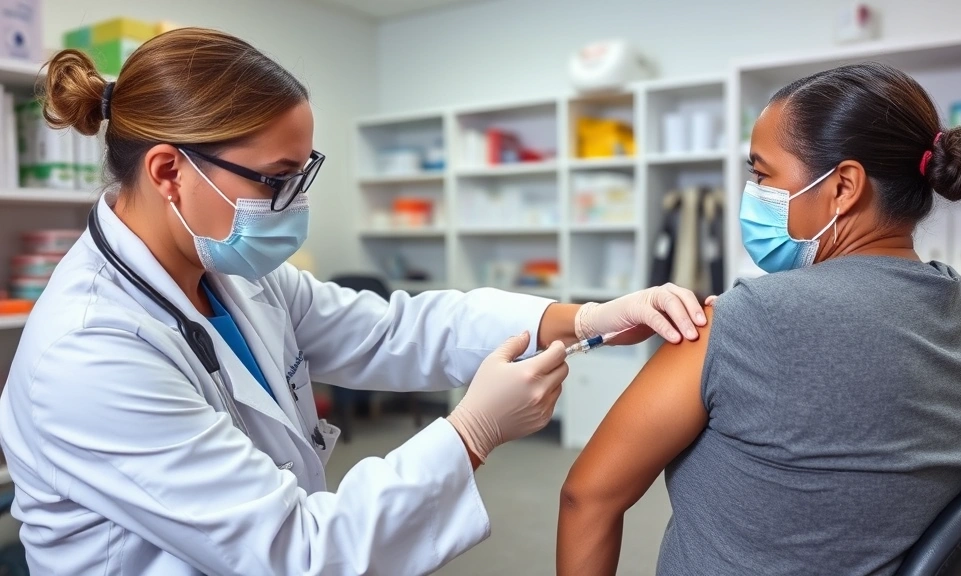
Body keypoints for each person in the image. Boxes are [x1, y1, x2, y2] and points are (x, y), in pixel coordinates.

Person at [0, 28, 709, 576]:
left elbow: (389, 330)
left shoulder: (228, 269)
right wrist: (471, 433)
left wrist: (584, 317)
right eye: (276, 179)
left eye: (302, 174)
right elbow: (298, 551)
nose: (296, 204)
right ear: (168, 172)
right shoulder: (89, 351)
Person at [556, 62, 961, 576]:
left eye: (762, 174)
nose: (753, 194)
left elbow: (585, 498)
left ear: (843, 187)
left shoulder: (746, 319)